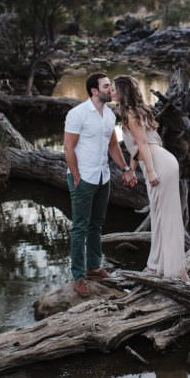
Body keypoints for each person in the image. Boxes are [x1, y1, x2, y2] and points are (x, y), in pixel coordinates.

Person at [64, 73, 137, 297]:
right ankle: (78, 276)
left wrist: (125, 169)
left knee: (97, 224)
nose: (111, 89)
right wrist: (76, 175)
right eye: (107, 86)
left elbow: (113, 145)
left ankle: (94, 267)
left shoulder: (108, 115)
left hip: (102, 177)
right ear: (94, 91)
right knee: (80, 227)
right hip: (83, 178)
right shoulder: (77, 114)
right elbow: (68, 147)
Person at [112, 75, 189, 281]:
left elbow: (144, 144)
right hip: (160, 160)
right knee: (161, 215)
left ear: (123, 92)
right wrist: (131, 168)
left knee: (165, 217)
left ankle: (170, 270)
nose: (111, 92)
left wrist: (152, 170)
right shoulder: (136, 111)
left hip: (158, 164)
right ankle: (158, 265)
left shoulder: (130, 113)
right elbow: (138, 148)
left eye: (114, 89)